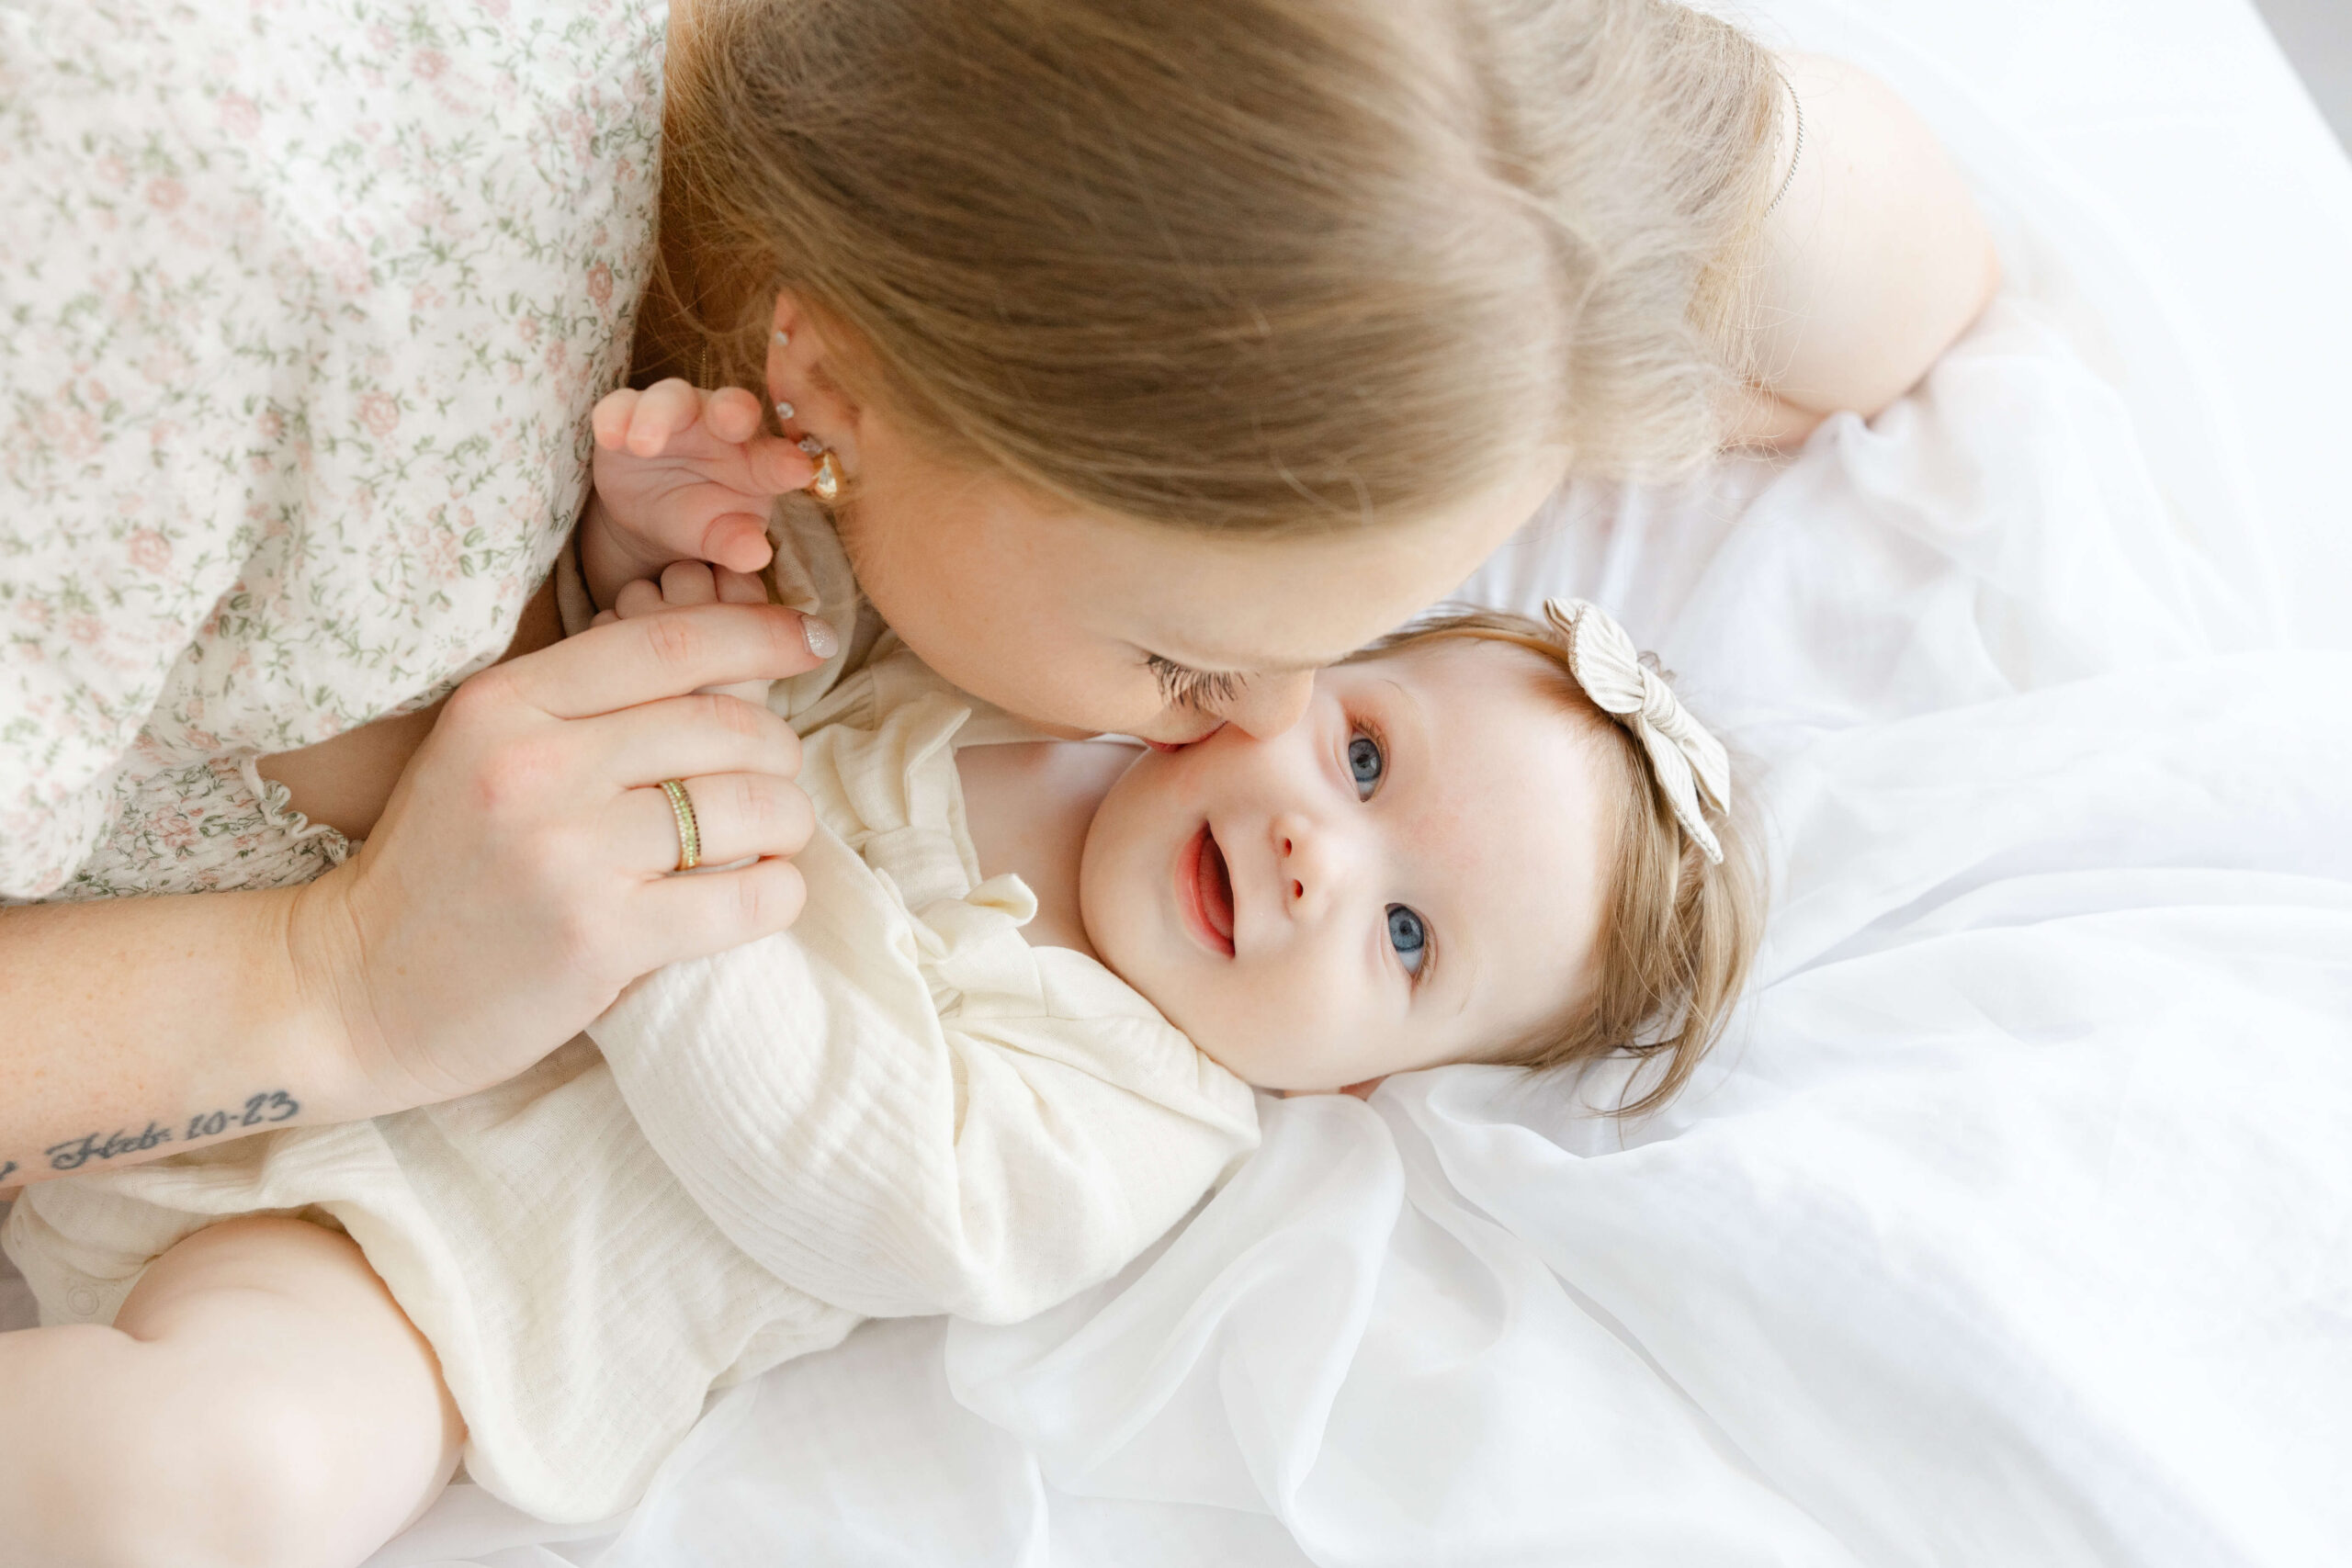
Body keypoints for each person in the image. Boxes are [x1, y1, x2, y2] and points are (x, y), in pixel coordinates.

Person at [0, 0, 1992, 1211]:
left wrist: (1494, 150)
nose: (1246, 730)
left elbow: (1900, 275)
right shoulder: (213, 279)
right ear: (840, 380)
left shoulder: (954, 162)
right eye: (1187, 656)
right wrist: (326, 987)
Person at [1, 570, 1760, 1562]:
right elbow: (762, 619)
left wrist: (641, 881)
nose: (1325, 862)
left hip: (417, 1281)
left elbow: (856, 1179)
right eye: (1366, 760)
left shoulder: (1145, 1109)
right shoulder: (1037, 684)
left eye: (1405, 942)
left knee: (215, 1480)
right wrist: (675, 539)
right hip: (259, 964)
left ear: (1372, 1087)